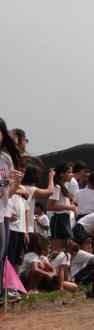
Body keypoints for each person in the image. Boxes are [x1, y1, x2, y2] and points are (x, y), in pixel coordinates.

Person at [0, 117, 23, 292]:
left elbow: (7, 193)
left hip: (2, 214)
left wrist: (16, 182)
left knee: (2, 255)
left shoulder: (5, 159)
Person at [47, 163, 77, 251]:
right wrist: (68, 207)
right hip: (59, 219)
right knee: (57, 251)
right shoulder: (57, 187)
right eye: (69, 172)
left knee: (67, 249)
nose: (72, 174)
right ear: (62, 174)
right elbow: (49, 206)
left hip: (65, 219)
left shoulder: (63, 187)